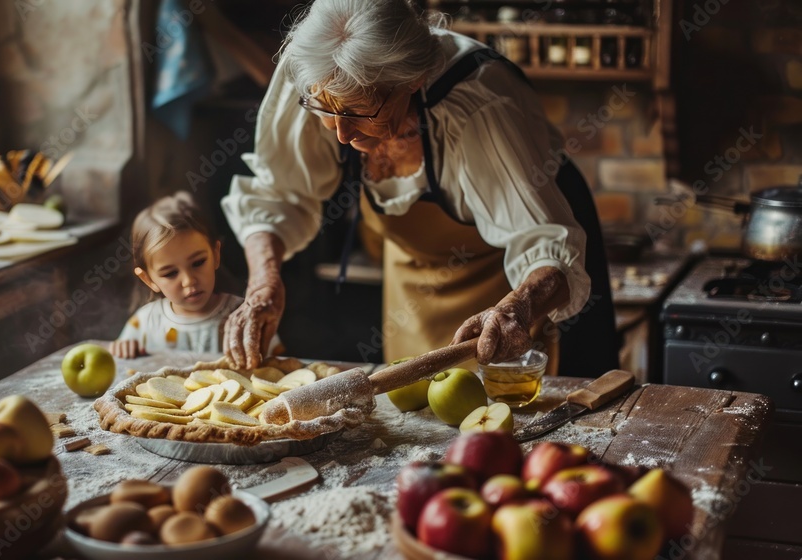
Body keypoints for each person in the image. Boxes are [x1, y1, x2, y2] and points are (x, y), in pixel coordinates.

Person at [220, 0, 618, 377]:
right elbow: (278, 195)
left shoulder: (479, 104)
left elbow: (543, 243)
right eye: (328, 110)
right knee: (418, 412)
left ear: (411, 81)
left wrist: (519, 308)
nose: (341, 134)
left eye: (360, 111)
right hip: (415, 282)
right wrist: (263, 284)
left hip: (518, 271)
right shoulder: (314, 70)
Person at [110, 191, 283, 359]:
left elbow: (277, 360)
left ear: (215, 255)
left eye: (198, 263)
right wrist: (122, 348)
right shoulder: (144, 323)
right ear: (148, 279)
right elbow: (121, 358)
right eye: (170, 273)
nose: (189, 280)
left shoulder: (241, 315)